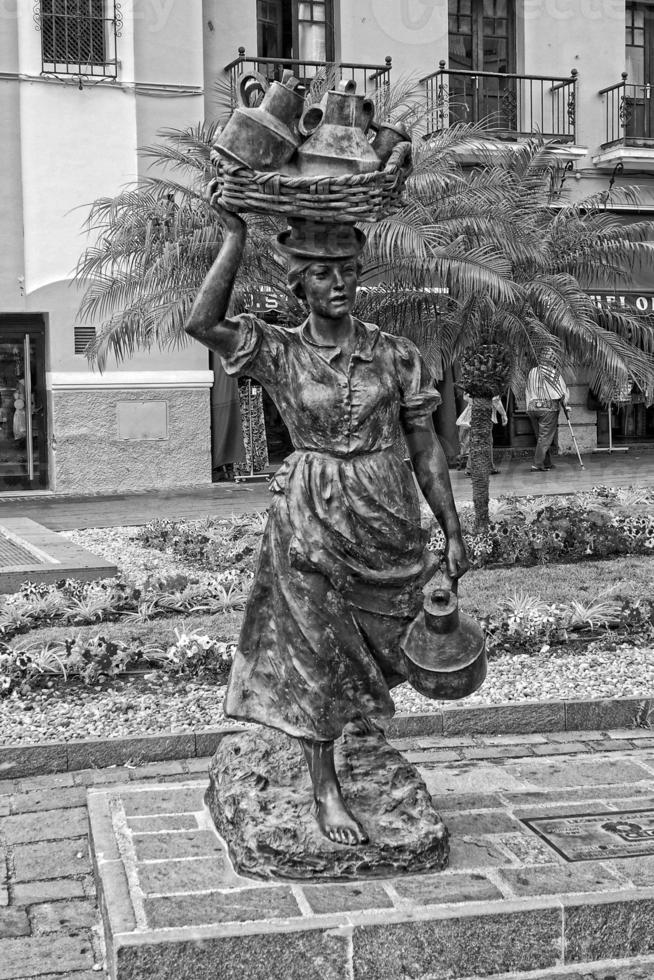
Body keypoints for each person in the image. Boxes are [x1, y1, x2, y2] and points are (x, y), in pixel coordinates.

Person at [185, 202, 469, 847]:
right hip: (309, 514)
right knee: (313, 646)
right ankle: (324, 787)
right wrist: (234, 236)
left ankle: (356, 734)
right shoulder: (279, 350)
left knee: (392, 636)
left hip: (385, 508)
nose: (337, 283)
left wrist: (451, 528)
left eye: (346, 270)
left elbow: (424, 446)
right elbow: (202, 322)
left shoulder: (395, 355)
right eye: (321, 274)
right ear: (300, 285)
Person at [525, 356, 570, 472]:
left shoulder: (532, 371)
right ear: (551, 360)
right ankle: (537, 464)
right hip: (548, 409)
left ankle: (547, 462)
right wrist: (566, 405)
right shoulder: (553, 373)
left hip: (532, 407)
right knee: (545, 438)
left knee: (541, 437)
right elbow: (562, 392)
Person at [456, 392, 508, 475]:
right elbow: (495, 400)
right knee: (483, 442)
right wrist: (504, 414)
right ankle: (471, 468)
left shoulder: (471, 380)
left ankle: (486, 467)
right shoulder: (491, 381)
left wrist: (475, 402)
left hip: (473, 414)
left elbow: (465, 397)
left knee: (479, 441)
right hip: (485, 415)